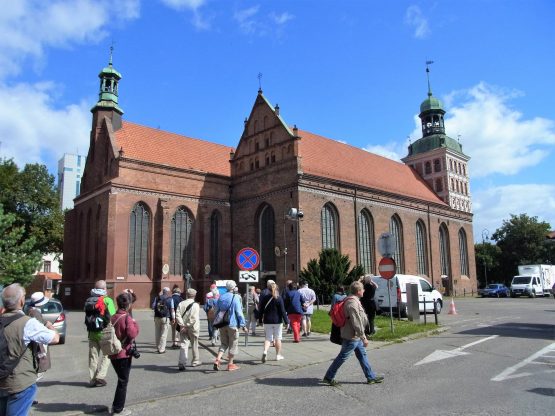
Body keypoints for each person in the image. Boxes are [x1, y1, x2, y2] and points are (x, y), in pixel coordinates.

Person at [0, 284, 60, 416]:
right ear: (21, 301)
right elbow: (55, 338)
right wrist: (50, 326)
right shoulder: (27, 323)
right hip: (20, 383)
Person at [323, 281, 384, 386]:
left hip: (355, 336)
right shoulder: (352, 303)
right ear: (359, 291)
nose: (364, 291)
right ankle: (329, 377)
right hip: (351, 335)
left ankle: (371, 377)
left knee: (362, 355)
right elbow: (356, 321)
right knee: (342, 357)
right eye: (363, 289)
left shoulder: (354, 300)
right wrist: (363, 337)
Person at [109, 293, 140, 415]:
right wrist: (135, 323)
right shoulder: (127, 318)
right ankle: (118, 409)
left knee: (121, 379)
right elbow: (132, 334)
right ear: (128, 305)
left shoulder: (113, 316)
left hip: (113, 353)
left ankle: (116, 406)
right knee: (123, 381)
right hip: (123, 354)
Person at [84, 280, 116, 387]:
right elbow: (113, 315)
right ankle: (100, 376)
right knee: (108, 354)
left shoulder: (88, 300)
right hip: (104, 331)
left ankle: (92, 379)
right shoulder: (107, 300)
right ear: (104, 289)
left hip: (92, 332)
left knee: (93, 357)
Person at [213, 281, 247, 371]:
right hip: (232, 324)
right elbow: (239, 313)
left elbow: (216, 311)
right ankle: (230, 364)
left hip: (222, 323)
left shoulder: (221, 297)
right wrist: (243, 325)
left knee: (224, 344)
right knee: (233, 344)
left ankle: (218, 359)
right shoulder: (235, 297)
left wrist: (216, 322)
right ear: (234, 288)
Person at [259, 282, 289, 361]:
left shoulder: (265, 298)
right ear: (277, 289)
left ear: (268, 289)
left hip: (267, 321)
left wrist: (259, 320)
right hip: (277, 321)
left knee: (268, 338)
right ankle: (278, 355)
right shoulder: (279, 298)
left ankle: (265, 351)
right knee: (278, 339)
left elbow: (261, 310)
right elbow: (283, 311)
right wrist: (287, 322)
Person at [175, 288, 201, 371]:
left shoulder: (181, 303)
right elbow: (193, 318)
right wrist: (187, 325)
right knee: (194, 344)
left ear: (186, 295)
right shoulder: (196, 305)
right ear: (195, 295)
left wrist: (182, 325)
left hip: (183, 328)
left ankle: (182, 363)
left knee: (183, 344)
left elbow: (177, 315)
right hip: (193, 328)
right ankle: (195, 361)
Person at [151, 287, 175, 354]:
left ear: (163, 291)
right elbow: (172, 310)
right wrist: (173, 318)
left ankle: (158, 347)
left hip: (157, 317)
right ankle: (162, 349)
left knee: (157, 333)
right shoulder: (170, 299)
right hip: (165, 317)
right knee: (164, 334)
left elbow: (153, 306)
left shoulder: (157, 298)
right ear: (168, 292)